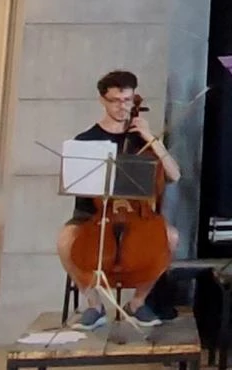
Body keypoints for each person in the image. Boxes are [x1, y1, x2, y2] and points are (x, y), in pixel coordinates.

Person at [56, 70, 182, 330]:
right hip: (93, 213)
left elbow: (174, 175)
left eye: (127, 100)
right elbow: (76, 186)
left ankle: (137, 303)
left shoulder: (142, 139)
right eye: (115, 100)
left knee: (171, 238)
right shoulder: (86, 139)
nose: (122, 106)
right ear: (103, 100)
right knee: (65, 241)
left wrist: (151, 139)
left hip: (139, 213)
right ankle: (94, 304)